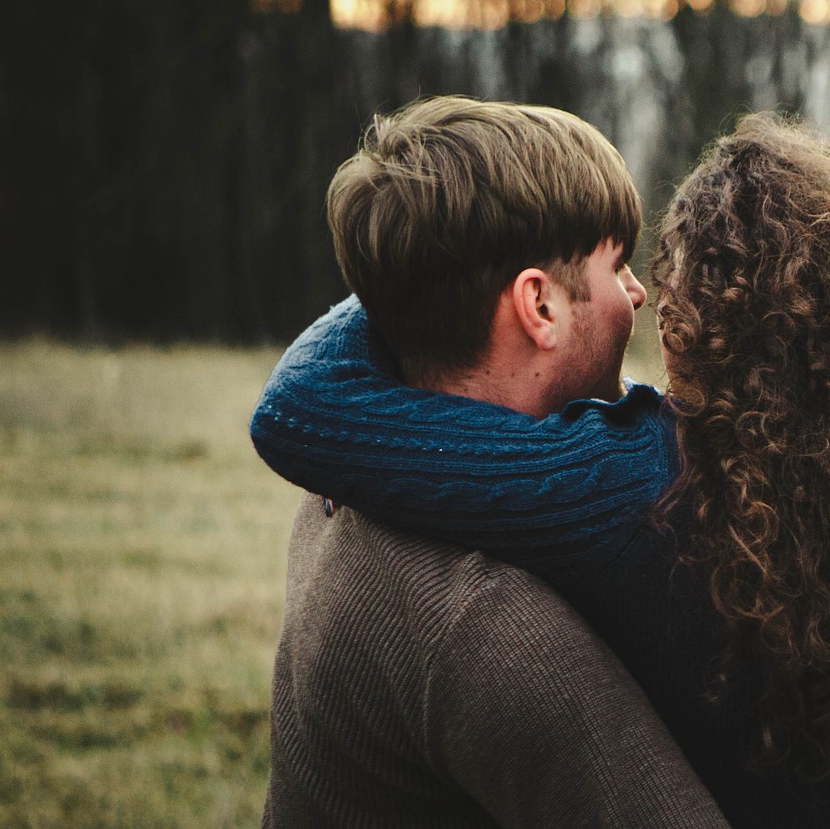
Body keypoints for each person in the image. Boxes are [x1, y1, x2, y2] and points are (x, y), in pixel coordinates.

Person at [252, 106, 830, 826]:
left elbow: (300, 409)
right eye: (619, 265)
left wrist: (417, 260)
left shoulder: (635, 487)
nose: (639, 301)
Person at [258, 98, 727, 828]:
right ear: (538, 304)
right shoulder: (483, 621)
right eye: (618, 264)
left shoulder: (349, 482)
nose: (638, 293)